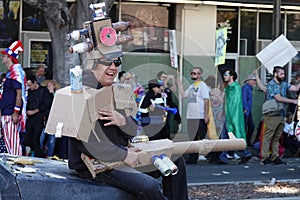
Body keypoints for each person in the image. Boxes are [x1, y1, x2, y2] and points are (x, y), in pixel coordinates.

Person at [68, 57, 168, 200]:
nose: (113, 67)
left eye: (117, 63)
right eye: (107, 62)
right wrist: (124, 154)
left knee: (176, 162)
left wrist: (123, 121)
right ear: (93, 65)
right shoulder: (80, 92)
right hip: (95, 165)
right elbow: (84, 143)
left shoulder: (115, 90)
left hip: (119, 155)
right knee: (150, 187)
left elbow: (133, 130)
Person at [138, 78, 188, 200]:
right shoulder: (147, 97)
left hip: (162, 124)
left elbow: (167, 105)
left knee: (172, 155)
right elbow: (140, 110)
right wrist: (149, 108)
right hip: (151, 126)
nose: (160, 88)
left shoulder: (163, 95)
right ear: (153, 88)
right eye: (157, 87)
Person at [261, 66, 300, 165]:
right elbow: (278, 98)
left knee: (277, 137)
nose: (283, 76)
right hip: (272, 114)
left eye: (284, 74)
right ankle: (265, 156)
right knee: (268, 136)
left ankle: (275, 156)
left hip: (281, 114)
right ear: (275, 74)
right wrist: (293, 101)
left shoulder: (283, 84)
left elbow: (295, 88)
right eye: (281, 74)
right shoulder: (271, 84)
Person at [177, 66, 210, 164]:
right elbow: (184, 95)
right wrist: (179, 84)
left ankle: (202, 154)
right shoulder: (191, 86)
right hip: (191, 115)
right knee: (192, 136)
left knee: (201, 135)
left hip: (199, 115)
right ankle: (193, 157)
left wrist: (206, 114)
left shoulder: (202, 85)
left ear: (199, 75)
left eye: (195, 73)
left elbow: (206, 100)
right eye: (192, 73)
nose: (193, 75)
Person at [0, 41, 27, 155]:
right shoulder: (10, 73)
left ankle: (17, 167)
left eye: (4, 56)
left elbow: (19, 94)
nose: (2, 57)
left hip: (10, 112)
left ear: (9, 58)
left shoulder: (16, 72)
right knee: (9, 142)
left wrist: (16, 112)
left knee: (13, 144)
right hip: (6, 111)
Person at [220, 69, 252, 165]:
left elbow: (235, 104)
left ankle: (245, 153)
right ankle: (223, 157)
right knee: (224, 136)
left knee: (232, 136)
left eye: (226, 75)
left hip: (231, 116)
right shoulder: (228, 88)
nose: (224, 76)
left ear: (232, 76)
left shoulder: (235, 87)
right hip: (226, 115)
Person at [23, 76, 51, 157]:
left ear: (35, 82)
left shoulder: (43, 91)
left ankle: (38, 155)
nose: (30, 87)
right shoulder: (29, 92)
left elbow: (46, 104)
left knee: (36, 138)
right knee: (28, 138)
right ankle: (33, 152)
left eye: (30, 85)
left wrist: (35, 111)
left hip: (39, 116)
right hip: (30, 117)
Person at [241, 73, 257, 146]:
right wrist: (245, 108)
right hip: (245, 110)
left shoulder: (250, 88)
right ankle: (244, 143)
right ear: (249, 80)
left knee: (251, 126)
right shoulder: (245, 88)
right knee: (245, 127)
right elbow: (243, 99)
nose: (255, 82)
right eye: (254, 80)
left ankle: (247, 142)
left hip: (248, 110)